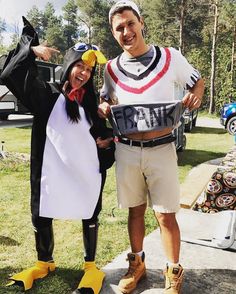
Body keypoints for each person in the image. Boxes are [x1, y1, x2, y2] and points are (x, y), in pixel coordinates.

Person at [0, 17, 115, 294]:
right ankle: (44, 262)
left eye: (89, 69)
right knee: (41, 212)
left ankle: (90, 266)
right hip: (49, 171)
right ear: (68, 66)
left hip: (83, 174)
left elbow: (106, 142)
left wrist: (107, 144)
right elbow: (7, 74)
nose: (84, 73)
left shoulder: (91, 106)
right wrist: (30, 49)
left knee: (90, 211)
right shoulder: (45, 95)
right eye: (79, 66)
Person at [98, 1, 205, 293]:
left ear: (141, 22)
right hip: (127, 148)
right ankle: (138, 265)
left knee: (165, 213)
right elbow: (105, 99)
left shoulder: (170, 57)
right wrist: (104, 107)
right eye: (119, 28)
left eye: (130, 23)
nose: (126, 31)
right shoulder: (110, 68)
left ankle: (172, 270)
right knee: (135, 210)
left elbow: (197, 82)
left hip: (162, 147)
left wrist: (195, 96)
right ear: (113, 32)